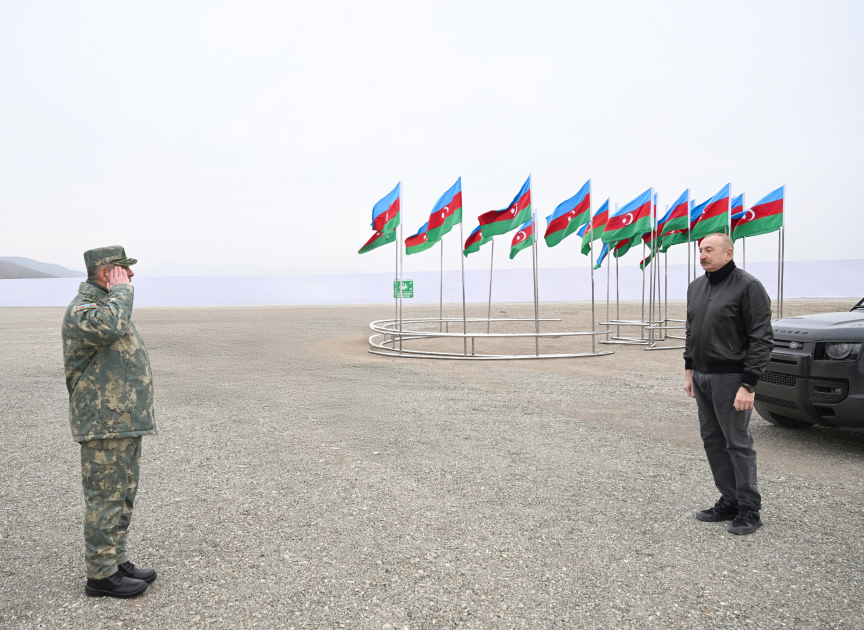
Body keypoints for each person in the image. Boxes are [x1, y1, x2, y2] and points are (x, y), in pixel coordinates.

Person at [62, 246, 158, 597]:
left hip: (122, 421)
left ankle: (116, 561)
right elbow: (108, 329)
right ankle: (100, 576)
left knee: (123, 494)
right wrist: (122, 292)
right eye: (123, 271)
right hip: (103, 423)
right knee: (105, 497)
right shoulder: (84, 309)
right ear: (105, 274)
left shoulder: (107, 305)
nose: (130, 276)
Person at [683, 232, 773, 535]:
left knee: (738, 443)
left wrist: (749, 384)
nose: (703, 255)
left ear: (728, 253)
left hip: (732, 377)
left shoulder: (748, 286)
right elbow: (691, 331)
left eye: (709, 250)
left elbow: (762, 338)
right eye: (700, 250)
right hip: (702, 376)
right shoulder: (696, 287)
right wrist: (689, 371)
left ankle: (750, 509)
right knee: (712, 440)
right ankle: (729, 499)